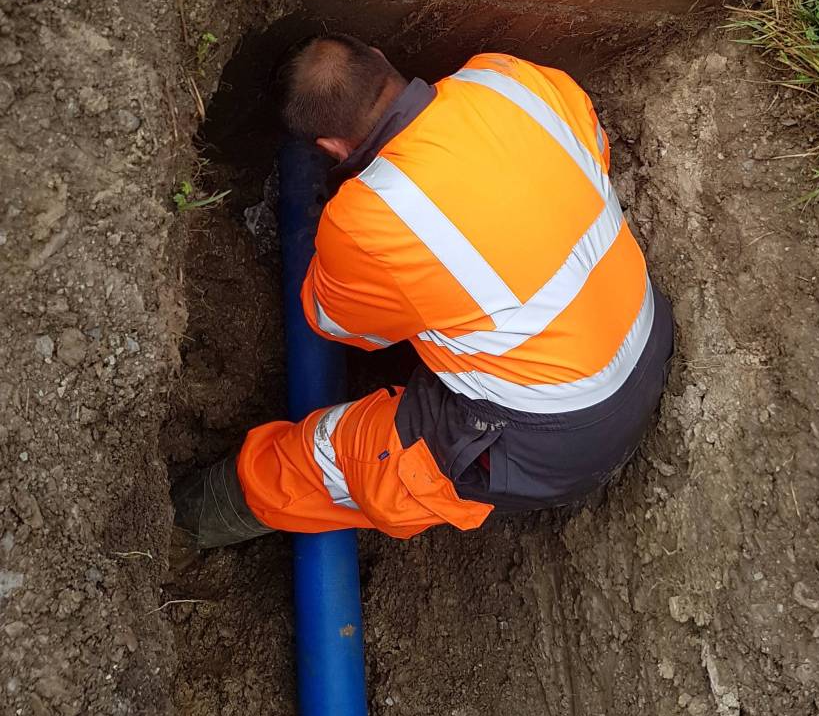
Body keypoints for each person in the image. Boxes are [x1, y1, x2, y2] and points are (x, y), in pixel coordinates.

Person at [173, 37, 673, 550]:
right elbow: (596, 148)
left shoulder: (368, 220)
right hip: (647, 335)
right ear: (382, 57)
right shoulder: (508, 77)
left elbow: (339, 324)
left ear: (330, 149)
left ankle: (189, 520)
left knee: (325, 455)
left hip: (552, 446)